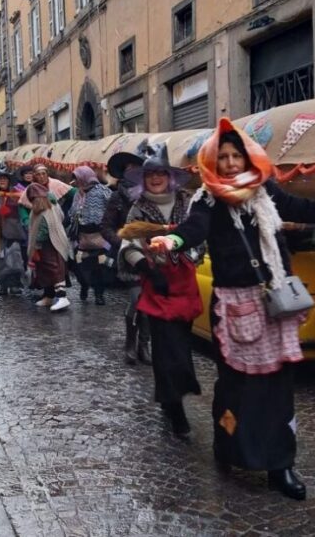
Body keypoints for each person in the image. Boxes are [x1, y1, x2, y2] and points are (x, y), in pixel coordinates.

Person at [150, 118, 315, 501]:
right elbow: (193, 228)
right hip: (234, 307)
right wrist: (173, 239)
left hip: (273, 302)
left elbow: (301, 206)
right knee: (237, 388)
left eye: (237, 155)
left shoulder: (265, 191)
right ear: (213, 162)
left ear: (248, 157)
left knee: (280, 389)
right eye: (224, 157)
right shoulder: (208, 200)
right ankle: (229, 445)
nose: (231, 163)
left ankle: (281, 465)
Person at [119, 144, 199, 434]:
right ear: (144, 178)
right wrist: (147, 268)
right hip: (156, 282)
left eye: (160, 173)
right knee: (166, 348)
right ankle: (175, 406)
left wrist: (192, 254)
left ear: (169, 176)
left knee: (181, 346)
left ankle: (171, 396)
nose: (155, 178)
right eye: (150, 174)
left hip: (185, 283)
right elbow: (127, 245)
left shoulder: (188, 202)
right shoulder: (138, 208)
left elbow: (199, 234)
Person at [103, 148, 149, 364]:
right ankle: (130, 344)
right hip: (130, 259)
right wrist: (123, 243)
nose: (132, 172)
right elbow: (107, 228)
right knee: (136, 299)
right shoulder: (116, 197)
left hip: (153, 256)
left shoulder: (151, 194)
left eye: (136, 168)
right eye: (128, 169)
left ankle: (144, 346)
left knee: (150, 304)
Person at [69, 165, 113, 305]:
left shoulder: (102, 191)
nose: (76, 181)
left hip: (99, 237)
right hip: (81, 237)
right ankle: (84, 284)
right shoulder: (78, 193)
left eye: (78, 178)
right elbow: (72, 211)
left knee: (98, 267)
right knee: (78, 265)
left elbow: (112, 208)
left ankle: (99, 295)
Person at [26, 182, 72, 311]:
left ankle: (62, 297)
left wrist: (36, 246)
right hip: (53, 243)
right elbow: (62, 217)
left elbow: (43, 231)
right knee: (46, 271)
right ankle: (49, 296)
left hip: (51, 245)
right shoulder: (53, 205)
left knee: (55, 270)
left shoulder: (43, 211)